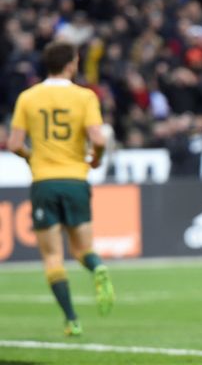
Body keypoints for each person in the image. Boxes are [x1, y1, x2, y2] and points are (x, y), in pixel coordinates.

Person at [7, 41, 116, 336]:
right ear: (71, 64)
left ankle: (71, 319)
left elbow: (14, 144)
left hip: (44, 182)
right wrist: (96, 160)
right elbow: (100, 139)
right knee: (83, 249)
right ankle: (96, 268)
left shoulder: (28, 98)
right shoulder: (85, 97)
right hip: (76, 180)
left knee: (53, 257)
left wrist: (32, 157)